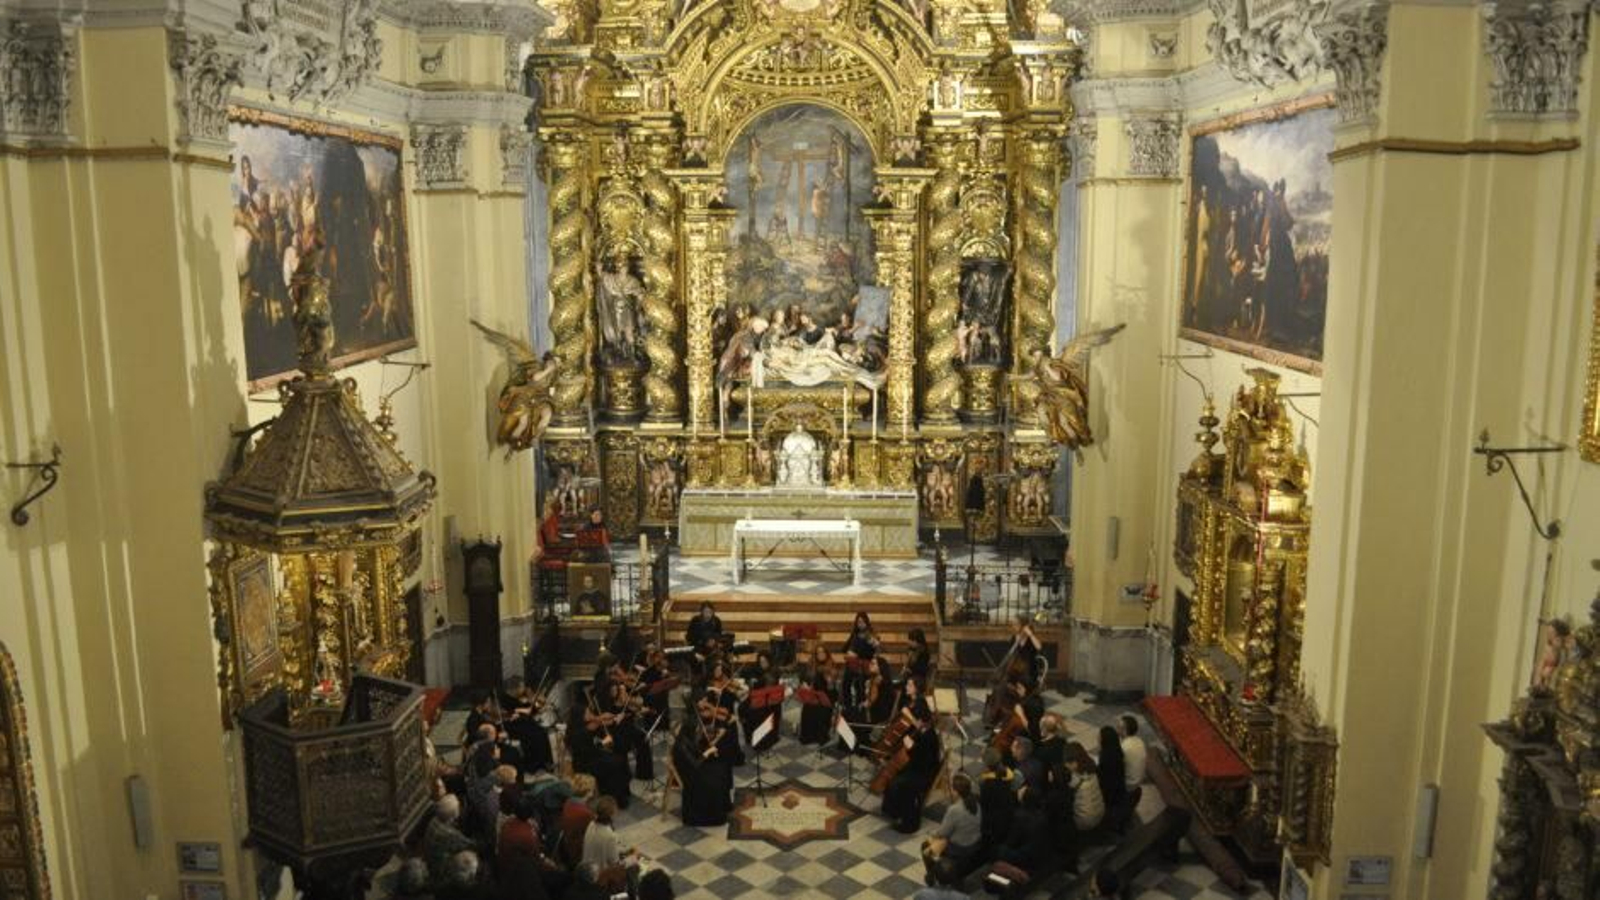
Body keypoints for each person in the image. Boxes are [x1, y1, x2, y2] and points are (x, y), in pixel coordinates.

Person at [673, 696, 734, 826]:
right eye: (697, 730)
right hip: (690, 773)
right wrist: (707, 753)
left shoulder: (687, 736)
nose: (699, 732)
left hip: (695, 764)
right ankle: (714, 817)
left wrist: (716, 737)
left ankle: (724, 806)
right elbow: (694, 764)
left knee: (724, 765)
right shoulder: (682, 744)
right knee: (717, 775)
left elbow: (697, 748)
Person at [882, 714, 942, 833]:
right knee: (895, 776)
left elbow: (923, 761)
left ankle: (909, 823)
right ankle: (893, 811)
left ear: (923, 722)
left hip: (923, 774)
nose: (916, 721)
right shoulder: (924, 731)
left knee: (900, 784)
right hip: (918, 768)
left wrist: (911, 748)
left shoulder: (929, 737)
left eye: (917, 719)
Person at [922, 772, 983, 885]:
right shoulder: (976, 803)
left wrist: (932, 834)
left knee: (925, 846)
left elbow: (942, 833)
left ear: (956, 791)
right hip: (974, 843)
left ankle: (933, 876)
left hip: (959, 848)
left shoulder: (955, 809)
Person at [501, 675, 554, 775]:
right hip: (512, 726)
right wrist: (531, 707)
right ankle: (535, 764)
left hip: (521, 723)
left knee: (540, 731)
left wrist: (533, 705)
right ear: (515, 689)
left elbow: (527, 709)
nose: (523, 689)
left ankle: (543, 762)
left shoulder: (514, 698)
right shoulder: (506, 699)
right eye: (522, 687)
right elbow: (519, 710)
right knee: (537, 734)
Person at [581, 796, 634, 892]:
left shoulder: (591, 824)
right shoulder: (609, 835)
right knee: (633, 865)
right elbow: (615, 862)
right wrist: (632, 859)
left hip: (586, 869)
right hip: (599, 875)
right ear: (612, 814)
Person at [996, 786, 1053, 873]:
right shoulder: (1042, 812)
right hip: (1041, 850)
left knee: (999, 850)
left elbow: (1012, 841)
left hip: (1028, 857)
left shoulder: (1020, 817)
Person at [423, 796, 475, 888]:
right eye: (458, 807)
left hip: (429, 860)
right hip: (440, 869)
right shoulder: (450, 834)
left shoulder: (434, 820)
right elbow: (471, 844)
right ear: (454, 815)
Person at [977, 747, 1017, 858]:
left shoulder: (987, 784)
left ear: (986, 765)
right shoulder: (1008, 773)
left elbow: (984, 805)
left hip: (993, 822)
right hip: (1008, 814)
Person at [797, 646, 838, 745]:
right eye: (818, 653)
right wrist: (804, 684)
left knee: (822, 710)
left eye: (823, 652)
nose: (821, 654)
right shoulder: (811, 664)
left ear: (827, 654)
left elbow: (832, 689)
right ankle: (808, 737)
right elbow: (804, 678)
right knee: (807, 708)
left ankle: (821, 736)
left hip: (828, 695)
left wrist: (830, 682)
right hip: (814, 694)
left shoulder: (832, 666)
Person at [1065, 742, 1106, 839]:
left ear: (1075, 763)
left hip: (1084, 822)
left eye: (1068, 762)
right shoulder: (1092, 768)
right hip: (1100, 812)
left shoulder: (1074, 781)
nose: (1066, 765)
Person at [842, 612, 879, 708]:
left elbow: (875, 649)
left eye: (862, 622)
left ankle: (860, 707)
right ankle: (848, 707)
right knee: (845, 683)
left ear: (867, 622)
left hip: (865, 664)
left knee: (860, 687)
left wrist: (856, 654)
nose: (860, 624)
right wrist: (849, 651)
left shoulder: (870, 634)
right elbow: (844, 648)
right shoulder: (855, 634)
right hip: (853, 664)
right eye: (858, 622)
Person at [685, 602, 725, 672]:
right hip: (697, 648)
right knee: (693, 657)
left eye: (710, 612)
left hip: (712, 649)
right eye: (706, 612)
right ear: (702, 612)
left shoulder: (716, 621)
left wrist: (714, 641)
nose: (708, 614)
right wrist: (703, 642)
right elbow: (689, 637)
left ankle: (717, 676)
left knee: (720, 656)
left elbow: (720, 635)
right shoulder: (695, 620)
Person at [1097, 725, 1128, 812]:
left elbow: (1101, 776)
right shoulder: (1117, 751)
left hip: (1110, 794)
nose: (1097, 739)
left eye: (1099, 737)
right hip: (1120, 789)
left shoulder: (1105, 756)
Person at [1118, 714, 1147, 791]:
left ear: (1124, 730)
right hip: (1139, 780)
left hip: (1129, 784)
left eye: (1119, 727)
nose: (1117, 729)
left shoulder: (1124, 747)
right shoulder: (1140, 741)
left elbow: (1117, 767)